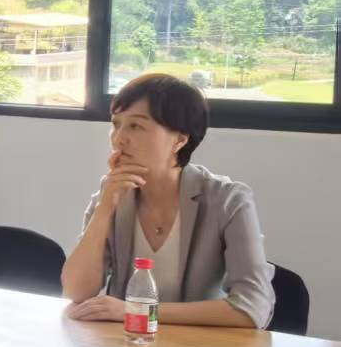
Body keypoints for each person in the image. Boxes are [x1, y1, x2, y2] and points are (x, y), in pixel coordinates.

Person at [61, 73, 272, 329]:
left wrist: (137, 311)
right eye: (116, 124)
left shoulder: (228, 200)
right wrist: (105, 208)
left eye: (136, 126)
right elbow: (77, 290)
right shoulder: (112, 193)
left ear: (180, 140)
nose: (118, 139)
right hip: (124, 343)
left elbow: (252, 308)